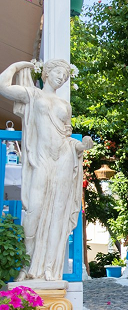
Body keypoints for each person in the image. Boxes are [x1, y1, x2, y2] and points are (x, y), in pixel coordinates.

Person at [0, 59, 93, 281]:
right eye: (59, 73)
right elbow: (3, 87)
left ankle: (51, 267)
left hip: (62, 158)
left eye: (65, 76)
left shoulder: (65, 105)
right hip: (40, 160)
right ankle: (28, 265)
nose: (62, 78)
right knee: (34, 211)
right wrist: (18, 66)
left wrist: (82, 146)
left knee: (57, 215)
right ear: (47, 73)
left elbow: (67, 138)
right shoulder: (33, 95)